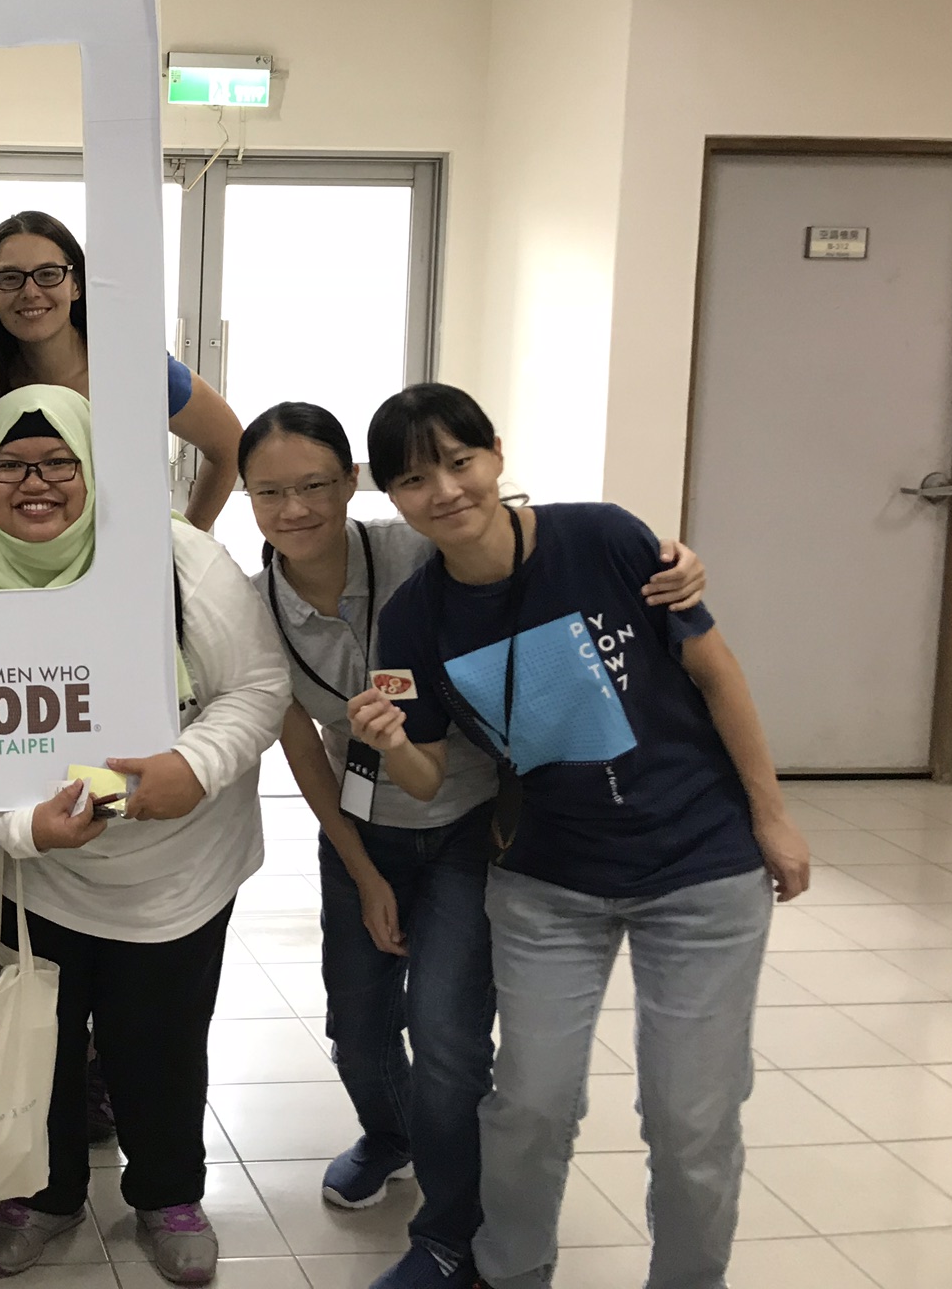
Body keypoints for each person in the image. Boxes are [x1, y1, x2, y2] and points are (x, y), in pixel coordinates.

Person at [344, 383, 810, 1289]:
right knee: (529, 1103)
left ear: (496, 454)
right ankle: (511, 1272)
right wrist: (392, 744)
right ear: (392, 496)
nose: (444, 491)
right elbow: (428, 776)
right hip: (548, 881)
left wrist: (772, 814)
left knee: (691, 1117)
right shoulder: (414, 619)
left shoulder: (602, 539)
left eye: (460, 462)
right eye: (414, 479)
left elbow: (716, 674)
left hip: (700, 864)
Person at [240, 402, 706, 1289]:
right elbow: (302, 747)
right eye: (270, 493)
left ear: (353, 483)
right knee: (357, 1028)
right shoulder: (254, 604)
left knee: (448, 1034)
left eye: (315, 485)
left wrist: (671, 563)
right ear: (248, 498)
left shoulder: (414, 550)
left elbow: (530, 551)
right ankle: (393, 1137)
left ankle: (452, 1230)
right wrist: (363, 870)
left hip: (468, 819)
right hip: (363, 829)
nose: (294, 509)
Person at [0, 384, 291, 1287]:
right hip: (39, 876)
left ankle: (167, 1193)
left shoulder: (178, 562)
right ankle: (43, 1195)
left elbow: (260, 687)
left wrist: (192, 765)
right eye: (10, 465)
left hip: (179, 872)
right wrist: (21, 827)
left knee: (158, 1043)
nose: (35, 483)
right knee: (33, 1043)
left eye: (59, 462)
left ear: (96, 469)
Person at [0, 210, 240, 530]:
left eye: (48, 274)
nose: (30, 291)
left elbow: (230, 445)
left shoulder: (134, 370)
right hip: (22, 562)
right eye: (11, 277)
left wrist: (188, 541)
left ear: (76, 285)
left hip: (126, 558)